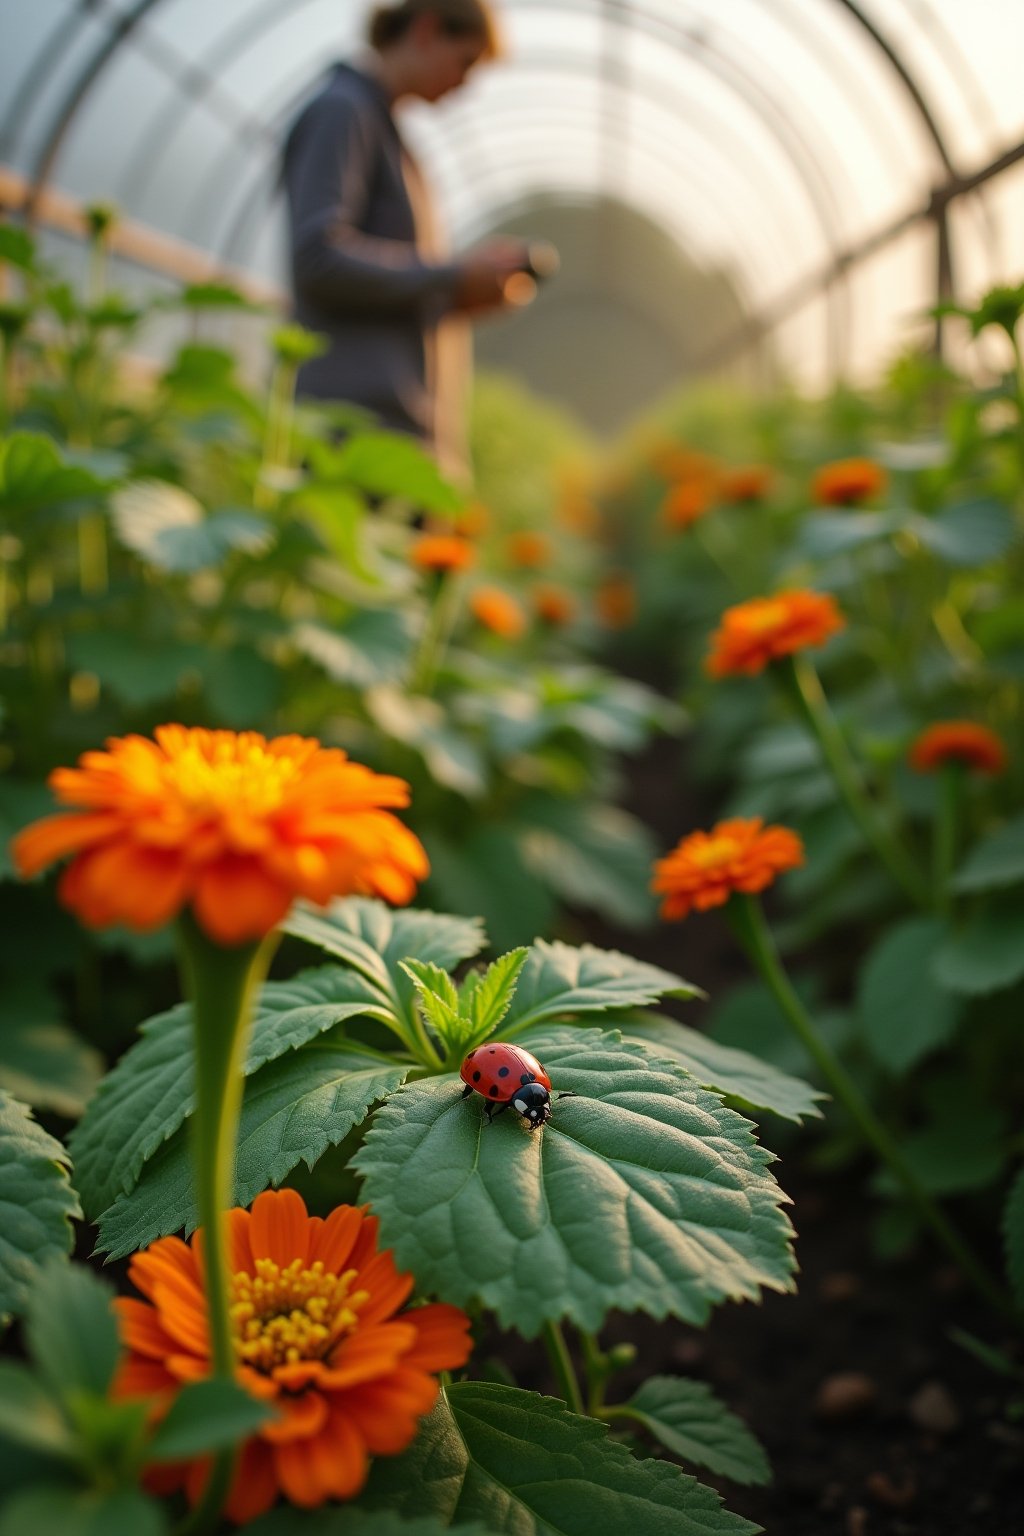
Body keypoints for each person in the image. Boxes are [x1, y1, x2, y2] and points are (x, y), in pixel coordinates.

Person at [282, 0, 529, 480]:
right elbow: (318, 257)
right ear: (426, 30)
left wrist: (461, 294)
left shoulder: (384, 129)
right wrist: (453, 274)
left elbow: (391, 282)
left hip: (391, 430)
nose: (465, 82)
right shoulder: (342, 112)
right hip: (354, 437)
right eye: (466, 61)